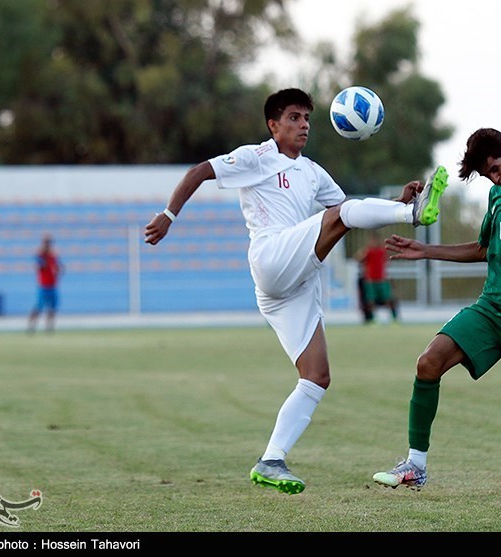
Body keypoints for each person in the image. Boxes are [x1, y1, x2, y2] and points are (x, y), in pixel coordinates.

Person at [143, 88, 449, 495]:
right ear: (273, 125)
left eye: (307, 118)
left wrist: (395, 199)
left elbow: (351, 214)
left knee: (317, 377)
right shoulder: (256, 157)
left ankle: (271, 460)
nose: (303, 125)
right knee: (339, 215)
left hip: (295, 282)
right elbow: (200, 170)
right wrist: (168, 215)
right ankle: (413, 216)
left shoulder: (313, 172)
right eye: (293, 117)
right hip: (271, 257)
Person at [372, 127, 501, 495]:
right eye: (488, 175)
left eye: (496, 168)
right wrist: (426, 250)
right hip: (491, 307)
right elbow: (482, 249)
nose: (495, 178)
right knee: (428, 362)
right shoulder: (497, 195)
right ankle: (415, 465)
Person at [355, 231, 399, 324]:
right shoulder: (368, 251)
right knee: (371, 300)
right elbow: (358, 259)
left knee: (388, 298)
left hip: (381, 279)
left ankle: (394, 318)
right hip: (370, 280)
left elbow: (387, 261)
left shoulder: (382, 251)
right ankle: (373, 319)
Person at [27, 234, 63, 334]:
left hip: (53, 285)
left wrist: (59, 269)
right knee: (39, 307)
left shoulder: (53, 256)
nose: (47, 244)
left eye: (49, 242)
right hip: (43, 286)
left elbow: (58, 267)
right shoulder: (40, 255)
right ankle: (31, 326)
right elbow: (40, 266)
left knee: (52, 308)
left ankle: (49, 327)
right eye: (46, 242)